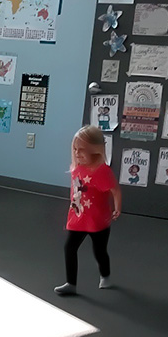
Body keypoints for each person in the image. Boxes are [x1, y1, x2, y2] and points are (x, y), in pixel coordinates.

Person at [55, 125, 122, 296]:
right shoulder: (77, 167)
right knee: (69, 248)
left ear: (95, 150)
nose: (77, 153)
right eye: (75, 149)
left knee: (99, 251)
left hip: (98, 220)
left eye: (82, 150)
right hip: (78, 217)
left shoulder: (102, 171)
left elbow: (115, 190)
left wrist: (117, 207)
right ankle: (71, 283)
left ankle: (105, 275)